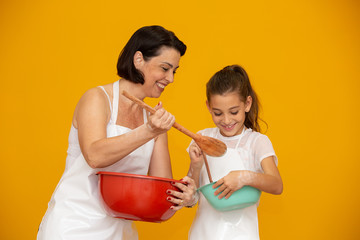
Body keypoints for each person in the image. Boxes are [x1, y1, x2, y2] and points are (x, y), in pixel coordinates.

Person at [37, 25, 197, 240]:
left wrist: (187, 193)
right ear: (138, 59)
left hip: (120, 231)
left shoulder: (154, 122)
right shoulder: (97, 98)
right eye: (165, 68)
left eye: (174, 71)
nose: (171, 79)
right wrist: (149, 131)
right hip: (72, 225)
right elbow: (95, 156)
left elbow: (160, 192)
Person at [186, 65, 283, 240]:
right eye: (217, 113)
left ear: (247, 103)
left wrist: (244, 177)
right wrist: (195, 166)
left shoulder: (257, 142)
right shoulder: (202, 138)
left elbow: (277, 185)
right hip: (202, 235)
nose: (226, 120)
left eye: (233, 112)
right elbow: (191, 199)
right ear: (208, 106)